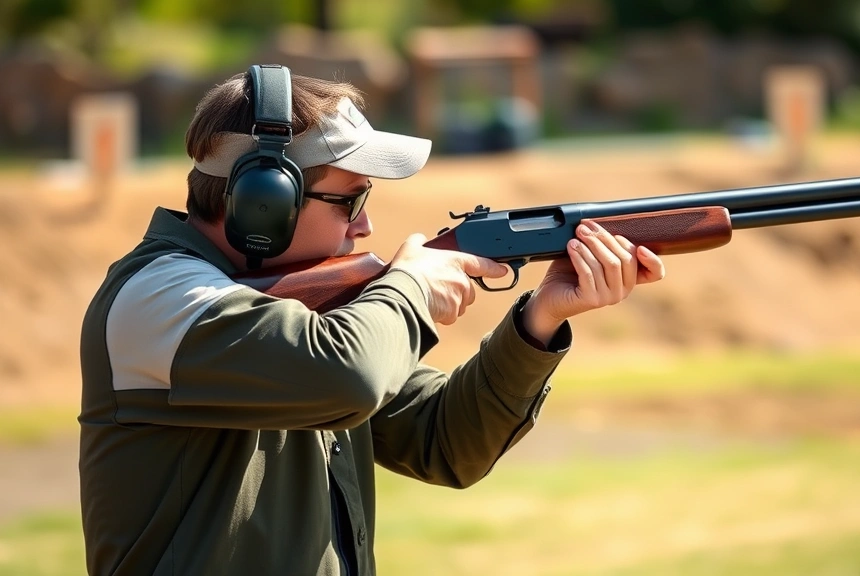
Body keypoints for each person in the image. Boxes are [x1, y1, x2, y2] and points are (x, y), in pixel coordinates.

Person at [79, 67, 666, 576]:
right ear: (264, 205)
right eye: (351, 201)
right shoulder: (154, 300)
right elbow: (348, 376)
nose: (363, 229)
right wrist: (410, 287)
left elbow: (446, 442)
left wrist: (539, 320)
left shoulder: (314, 313)